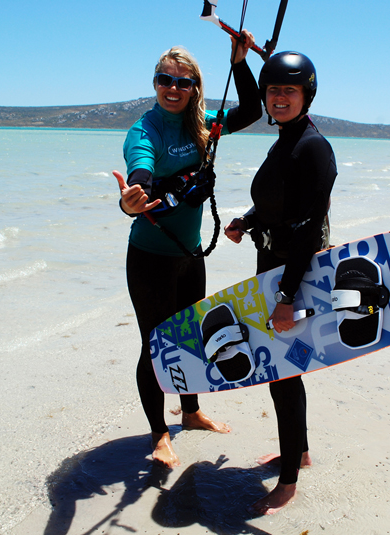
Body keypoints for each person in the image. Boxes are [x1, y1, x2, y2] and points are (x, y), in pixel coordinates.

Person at [113, 33, 262, 469]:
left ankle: (192, 412)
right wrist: (133, 197)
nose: (173, 89)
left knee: (189, 337)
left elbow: (251, 111)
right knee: (155, 344)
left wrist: (240, 62)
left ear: (195, 86)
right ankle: (160, 433)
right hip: (151, 259)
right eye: (165, 80)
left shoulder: (204, 124)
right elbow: (139, 168)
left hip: (191, 254)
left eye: (183, 82)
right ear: (155, 83)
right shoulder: (145, 130)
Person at [224, 51, 337, 514]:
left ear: (306, 94)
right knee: (282, 370)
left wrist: (288, 296)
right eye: (273, 91)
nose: (279, 98)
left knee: (284, 374)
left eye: (289, 90)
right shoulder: (286, 139)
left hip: (295, 273)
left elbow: (310, 228)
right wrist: (246, 221)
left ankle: (288, 480)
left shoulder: (313, 147)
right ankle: (300, 453)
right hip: (271, 264)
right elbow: (278, 204)